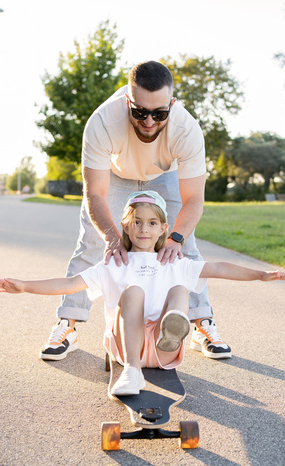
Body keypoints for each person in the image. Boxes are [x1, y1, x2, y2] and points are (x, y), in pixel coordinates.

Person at [0, 192, 285, 395]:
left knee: (179, 288)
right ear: (126, 224)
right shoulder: (115, 263)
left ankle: (173, 325)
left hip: (164, 347)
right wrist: (25, 286)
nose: (144, 229)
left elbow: (219, 268)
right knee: (132, 291)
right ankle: (132, 373)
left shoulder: (174, 261)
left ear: (164, 228)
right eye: (137, 222)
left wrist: (261, 275)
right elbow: (69, 285)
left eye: (151, 223)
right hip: (127, 348)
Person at [40, 60, 233, 362]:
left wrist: (176, 239)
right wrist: (112, 236)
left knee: (186, 248)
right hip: (115, 174)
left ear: (172, 104)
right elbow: (95, 192)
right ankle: (68, 324)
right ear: (127, 101)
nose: (148, 121)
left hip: (163, 173)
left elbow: (194, 197)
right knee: (93, 243)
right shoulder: (103, 122)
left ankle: (201, 324)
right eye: (139, 112)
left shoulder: (186, 129)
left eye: (159, 114)